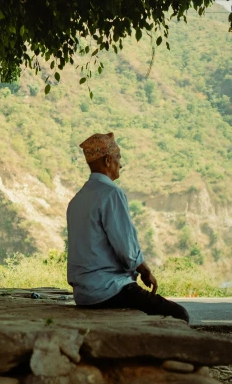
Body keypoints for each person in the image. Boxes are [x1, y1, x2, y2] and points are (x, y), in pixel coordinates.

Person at [66, 132, 189, 323]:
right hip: (109, 289)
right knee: (179, 315)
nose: (120, 165)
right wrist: (145, 271)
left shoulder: (77, 200)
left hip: (83, 295)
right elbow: (126, 249)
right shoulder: (111, 194)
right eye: (118, 159)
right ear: (107, 160)